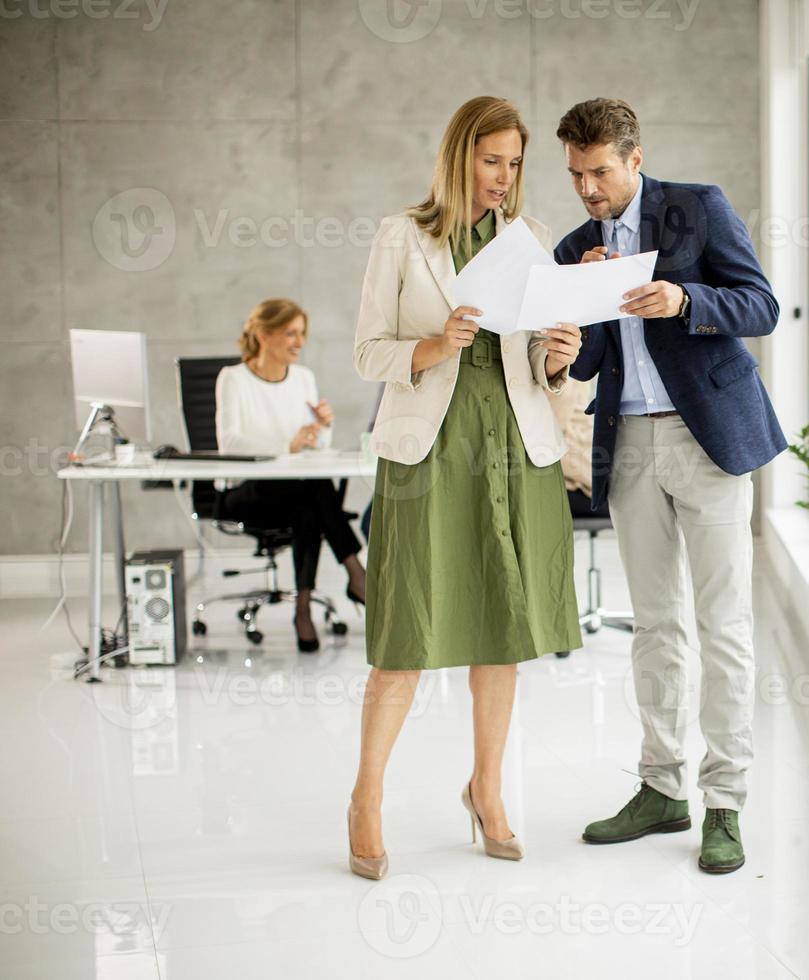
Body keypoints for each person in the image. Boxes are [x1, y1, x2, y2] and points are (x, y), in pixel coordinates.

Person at [346, 95, 584, 880]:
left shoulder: (531, 240)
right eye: (492, 161)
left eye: (515, 164)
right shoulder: (404, 237)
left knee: (502, 631)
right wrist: (430, 345)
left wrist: (557, 353)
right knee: (406, 633)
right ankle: (366, 800)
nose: (504, 178)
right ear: (458, 158)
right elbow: (365, 352)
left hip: (514, 450)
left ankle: (487, 790)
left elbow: (537, 370)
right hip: (430, 453)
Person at [554, 98, 785, 874]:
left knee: (723, 625)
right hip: (629, 442)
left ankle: (726, 802)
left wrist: (687, 300)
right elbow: (581, 362)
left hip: (707, 436)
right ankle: (661, 787)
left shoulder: (697, 209)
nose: (588, 190)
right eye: (576, 175)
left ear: (635, 158)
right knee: (655, 625)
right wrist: (566, 332)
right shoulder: (574, 247)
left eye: (600, 172)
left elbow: (762, 306)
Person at [214, 297, 366, 653]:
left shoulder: (303, 379)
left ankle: (303, 607)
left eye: (302, 334)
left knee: (308, 506)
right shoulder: (233, 379)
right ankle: (356, 574)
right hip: (244, 493)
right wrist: (289, 443)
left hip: (296, 495)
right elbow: (229, 442)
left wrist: (322, 427)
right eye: (290, 333)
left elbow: (316, 446)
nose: (299, 342)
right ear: (263, 335)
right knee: (315, 493)